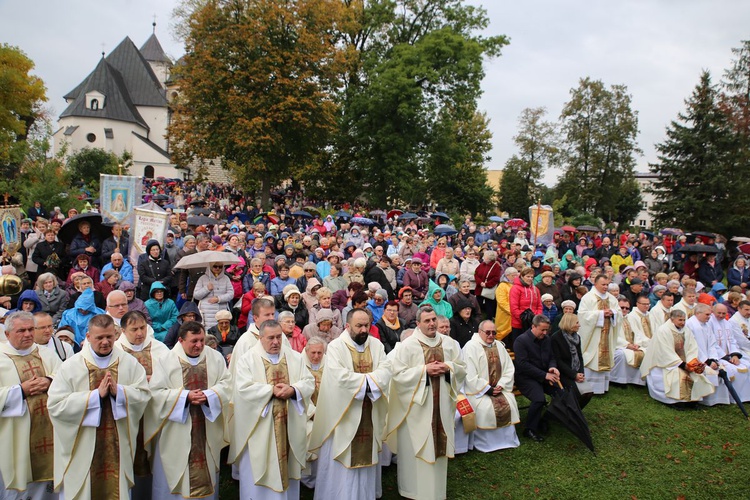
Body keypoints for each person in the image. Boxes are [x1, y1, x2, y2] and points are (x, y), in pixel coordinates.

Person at [47, 314, 150, 499]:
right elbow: (55, 405)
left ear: (116, 335)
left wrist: (120, 392)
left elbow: (143, 395)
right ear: (87, 337)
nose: (105, 342)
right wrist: (94, 397)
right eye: (99, 337)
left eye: (109, 337)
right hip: (83, 447)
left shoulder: (129, 363)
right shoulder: (71, 366)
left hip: (117, 444)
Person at [309, 308, 392, 500]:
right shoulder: (337, 347)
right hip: (343, 415)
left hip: (368, 412)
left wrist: (367, 382)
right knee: (342, 459)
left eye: (367, 325)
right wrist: (370, 382)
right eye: (359, 326)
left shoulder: (377, 345)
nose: (364, 330)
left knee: (367, 453)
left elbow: (386, 369)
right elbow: (339, 378)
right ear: (347, 326)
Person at [385, 306, 466, 500]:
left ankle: (437, 491)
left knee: (438, 447)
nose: (431, 324)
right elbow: (397, 375)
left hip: (442, 406)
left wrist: (448, 368)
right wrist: (423, 372)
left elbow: (462, 368)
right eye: (427, 321)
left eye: (433, 320)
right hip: (416, 410)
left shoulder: (449, 343)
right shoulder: (408, 346)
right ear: (418, 324)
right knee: (416, 449)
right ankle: (411, 490)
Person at [146, 320, 231, 500]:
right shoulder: (166, 361)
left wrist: (209, 395)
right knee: (176, 473)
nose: (199, 345)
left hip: (206, 428)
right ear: (180, 340)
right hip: (176, 431)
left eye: (201, 340)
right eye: (194, 341)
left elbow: (228, 384)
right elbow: (155, 393)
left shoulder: (214, 357)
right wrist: (185, 397)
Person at [230, 320, 315, 499]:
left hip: (289, 424)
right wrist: (270, 391)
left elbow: (308, 382)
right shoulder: (248, 359)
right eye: (271, 338)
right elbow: (242, 389)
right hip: (260, 430)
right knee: (259, 469)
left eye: (279, 337)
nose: (276, 342)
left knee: (288, 469)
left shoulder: (295, 357)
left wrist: (293, 390)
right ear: (260, 338)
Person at [0, 311, 61, 499]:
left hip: (48, 432)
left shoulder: (46, 354)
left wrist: (50, 380)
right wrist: (20, 391)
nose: (27, 334)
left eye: (30, 329)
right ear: (7, 334)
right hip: (15, 436)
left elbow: (67, 378)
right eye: (21, 331)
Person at [114, 310, 169, 499]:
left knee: (156, 456)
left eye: (142, 328)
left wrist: (153, 380)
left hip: (155, 412)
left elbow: (172, 378)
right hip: (128, 413)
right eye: (134, 329)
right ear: (123, 330)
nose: (140, 333)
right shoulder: (115, 351)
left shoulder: (160, 349)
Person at [463, 320, 520, 452]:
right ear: (480, 331)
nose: (491, 335)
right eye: (487, 332)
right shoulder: (471, 347)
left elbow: (509, 369)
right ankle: (486, 443)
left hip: (499, 388)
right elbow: (469, 374)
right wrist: (488, 389)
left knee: (510, 403)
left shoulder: (499, 345)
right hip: (479, 391)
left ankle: (507, 440)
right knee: (485, 408)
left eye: (494, 332)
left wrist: (501, 385)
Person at [639, 310, 714, 406]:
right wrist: (682, 364)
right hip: (665, 363)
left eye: (684, 320)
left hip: (683, 362)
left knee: (696, 375)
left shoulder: (686, 330)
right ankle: (676, 402)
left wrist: (692, 363)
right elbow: (665, 351)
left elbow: (692, 347)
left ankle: (692, 401)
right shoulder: (663, 330)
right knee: (679, 376)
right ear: (672, 319)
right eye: (680, 320)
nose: (682, 323)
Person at [513, 315, 559, 442]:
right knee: (539, 399)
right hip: (525, 378)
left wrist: (552, 367)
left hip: (544, 375)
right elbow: (523, 365)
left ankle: (544, 419)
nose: (545, 333)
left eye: (547, 330)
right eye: (542, 330)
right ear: (533, 326)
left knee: (561, 392)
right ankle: (530, 429)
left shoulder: (547, 339)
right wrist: (545, 375)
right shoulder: (521, 341)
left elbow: (552, 357)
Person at [576, 275, 621, 394]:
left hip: (607, 334)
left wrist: (613, 313)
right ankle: (591, 388)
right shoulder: (588, 298)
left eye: (607, 284)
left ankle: (603, 387)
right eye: (603, 284)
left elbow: (619, 313)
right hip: (594, 335)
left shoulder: (612, 298)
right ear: (595, 284)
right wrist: (600, 314)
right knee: (592, 357)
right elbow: (582, 315)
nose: (606, 287)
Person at [551, 313, 593, 408]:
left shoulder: (576, 337)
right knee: (576, 394)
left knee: (588, 393)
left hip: (576, 372)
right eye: (577, 323)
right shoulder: (556, 338)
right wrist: (574, 375)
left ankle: (573, 412)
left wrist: (581, 373)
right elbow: (558, 361)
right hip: (563, 374)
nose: (579, 325)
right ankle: (570, 413)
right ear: (569, 323)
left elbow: (579, 357)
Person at [610, 295, 647, 386]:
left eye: (627, 308)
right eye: (622, 307)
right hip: (617, 347)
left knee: (645, 351)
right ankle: (618, 380)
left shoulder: (630, 318)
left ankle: (636, 380)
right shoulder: (612, 318)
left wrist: (637, 344)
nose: (624, 310)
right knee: (622, 355)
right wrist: (627, 345)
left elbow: (638, 333)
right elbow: (612, 336)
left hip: (632, 346)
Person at [495, 267, 519, 342]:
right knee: (504, 336)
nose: (515, 277)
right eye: (513, 276)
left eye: (516, 275)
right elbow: (502, 302)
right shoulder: (502, 286)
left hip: (516, 317)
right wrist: (513, 311)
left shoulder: (517, 285)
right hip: (505, 316)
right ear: (507, 275)